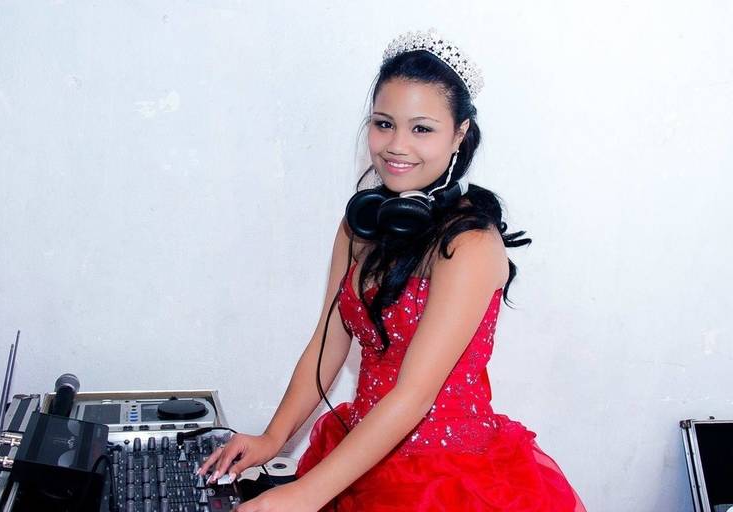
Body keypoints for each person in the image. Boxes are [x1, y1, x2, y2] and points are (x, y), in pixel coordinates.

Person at [199, 29, 587, 511]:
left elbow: (414, 395)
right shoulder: (360, 225)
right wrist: (273, 438)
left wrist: (302, 495)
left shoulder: (470, 245)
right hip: (360, 455)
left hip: (445, 479)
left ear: (459, 134)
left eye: (421, 129)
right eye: (384, 124)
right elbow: (328, 341)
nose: (397, 145)